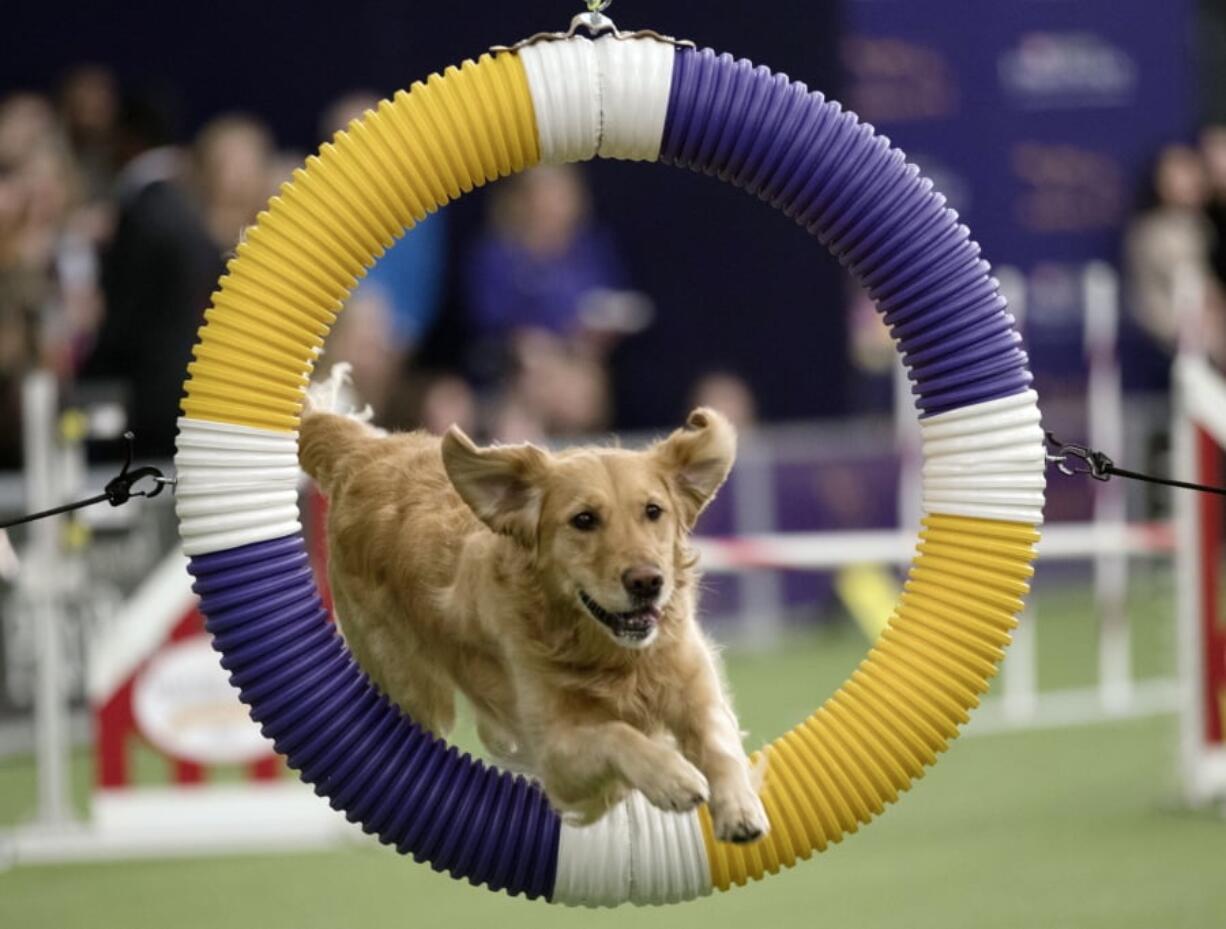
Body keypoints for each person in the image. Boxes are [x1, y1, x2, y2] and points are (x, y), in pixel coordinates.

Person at [82, 91, 218, 457]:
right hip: (189, 392)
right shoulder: (186, 206)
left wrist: (85, 378)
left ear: (127, 138)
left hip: (145, 405)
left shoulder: (142, 212)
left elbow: (124, 316)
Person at [1125, 143, 1226, 365]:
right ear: (1160, 182)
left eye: (1192, 172)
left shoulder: (1203, 223)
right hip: (1173, 322)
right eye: (1178, 175)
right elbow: (1194, 286)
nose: (1190, 181)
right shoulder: (1154, 231)